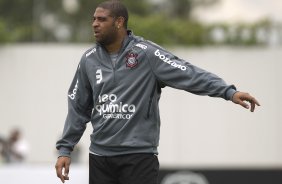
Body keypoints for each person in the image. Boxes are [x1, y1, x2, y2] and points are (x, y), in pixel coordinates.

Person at [55, 1, 260, 184]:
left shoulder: (147, 54)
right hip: (100, 157)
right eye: (93, 19)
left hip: (139, 157)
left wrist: (228, 92)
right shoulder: (88, 59)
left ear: (119, 22)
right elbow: (78, 107)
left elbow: (188, 73)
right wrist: (65, 149)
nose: (94, 24)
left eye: (101, 19)